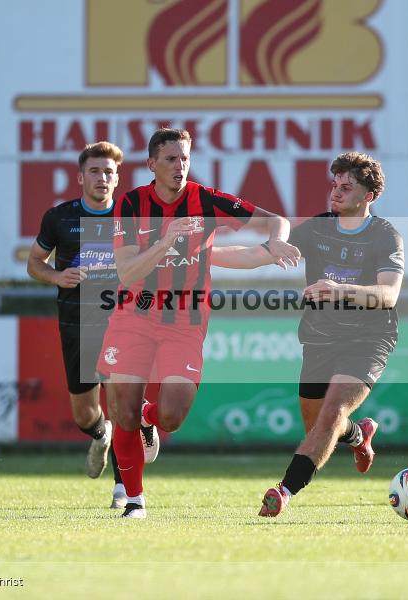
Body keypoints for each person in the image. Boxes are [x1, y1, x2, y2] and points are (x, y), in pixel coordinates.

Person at [98, 127, 301, 518]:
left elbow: (275, 219)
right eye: (171, 159)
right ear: (151, 164)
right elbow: (126, 272)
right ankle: (135, 501)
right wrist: (165, 241)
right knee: (122, 411)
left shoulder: (204, 199)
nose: (180, 166)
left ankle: (148, 418)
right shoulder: (131, 203)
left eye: (185, 158)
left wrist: (275, 241)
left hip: (185, 320)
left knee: (172, 416)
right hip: (134, 314)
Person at [257, 151, 405, 517]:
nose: (336, 192)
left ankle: (284, 491)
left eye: (346, 187)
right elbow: (262, 252)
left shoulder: (386, 236)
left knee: (331, 414)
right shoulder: (318, 228)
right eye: (334, 184)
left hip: (368, 340)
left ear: (368, 196)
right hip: (320, 338)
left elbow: (388, 295)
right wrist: (209, 255)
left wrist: (340, 290)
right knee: (318, 426)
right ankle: (357, 434)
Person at [27, 141, 160, 509]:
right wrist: (57, 276)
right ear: (80, 177)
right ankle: (101, 436)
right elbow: (34, 262)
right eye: (95, 171)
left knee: (120, 403)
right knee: (85, 414)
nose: (102, 177)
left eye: (109, 172)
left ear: (117, 178)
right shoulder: (59, 218)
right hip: (77, 324)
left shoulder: (131, 218)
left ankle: (124, 488)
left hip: (123, 322)